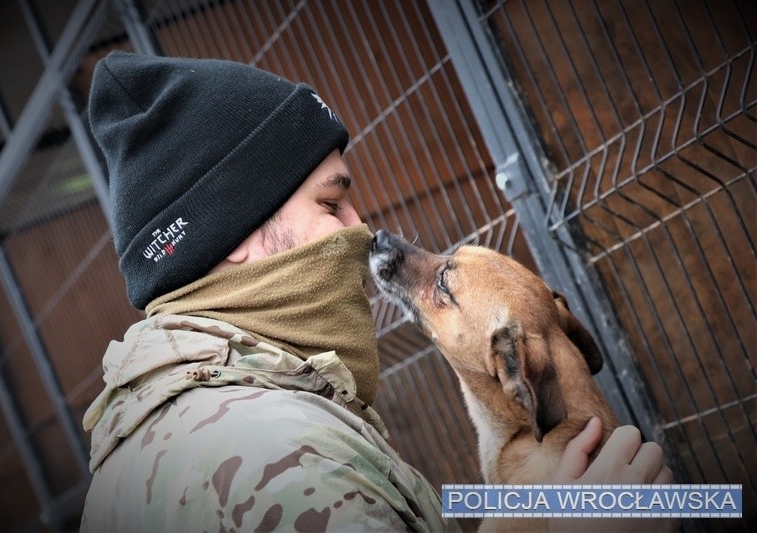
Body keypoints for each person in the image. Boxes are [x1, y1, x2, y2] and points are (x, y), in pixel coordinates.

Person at [80, 51, 671, 532]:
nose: (360, 230)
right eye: (331, 204)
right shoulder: (273, 458)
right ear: (233, 230)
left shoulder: (194, 421)